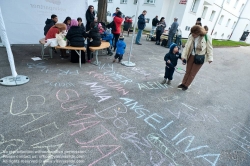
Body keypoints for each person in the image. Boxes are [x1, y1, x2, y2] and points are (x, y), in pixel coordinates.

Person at [178, 25, 213, 91]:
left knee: (192, 73)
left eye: (194, 34)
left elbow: (210, 48)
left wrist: (210, 58)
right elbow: (186, 47)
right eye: (192, 33)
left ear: (199, 33)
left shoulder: (207, 37)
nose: (193, 35)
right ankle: (183, 83)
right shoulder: (191, 36)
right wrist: (183, 56)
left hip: (200, 57)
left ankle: (186, 85)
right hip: (191, 55)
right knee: (187, 71)